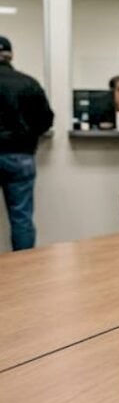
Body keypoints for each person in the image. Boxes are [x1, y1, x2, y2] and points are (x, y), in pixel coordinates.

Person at [0, 35, 54, 251]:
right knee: (21, 218)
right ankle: (24, 269)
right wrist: (28, 134)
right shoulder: (28, 83)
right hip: (20, 155)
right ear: (11, 55)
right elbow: (46, 120)